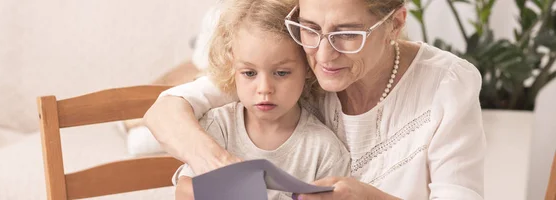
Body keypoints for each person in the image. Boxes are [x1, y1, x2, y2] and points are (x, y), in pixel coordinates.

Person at [144, 0, 487, 199]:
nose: (323, 55)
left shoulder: (447, 84)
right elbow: (166, 112)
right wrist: (227, 176)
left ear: (395, 23)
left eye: (347, 34)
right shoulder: (290, 64)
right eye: (310, 27)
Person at [171, 0, 350, 199]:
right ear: (233, 66)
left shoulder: (324, 150)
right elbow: (184, 191)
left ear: (307, 68)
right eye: (249, 73)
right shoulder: (219, 126)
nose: (264, 89)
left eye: (281, 73)